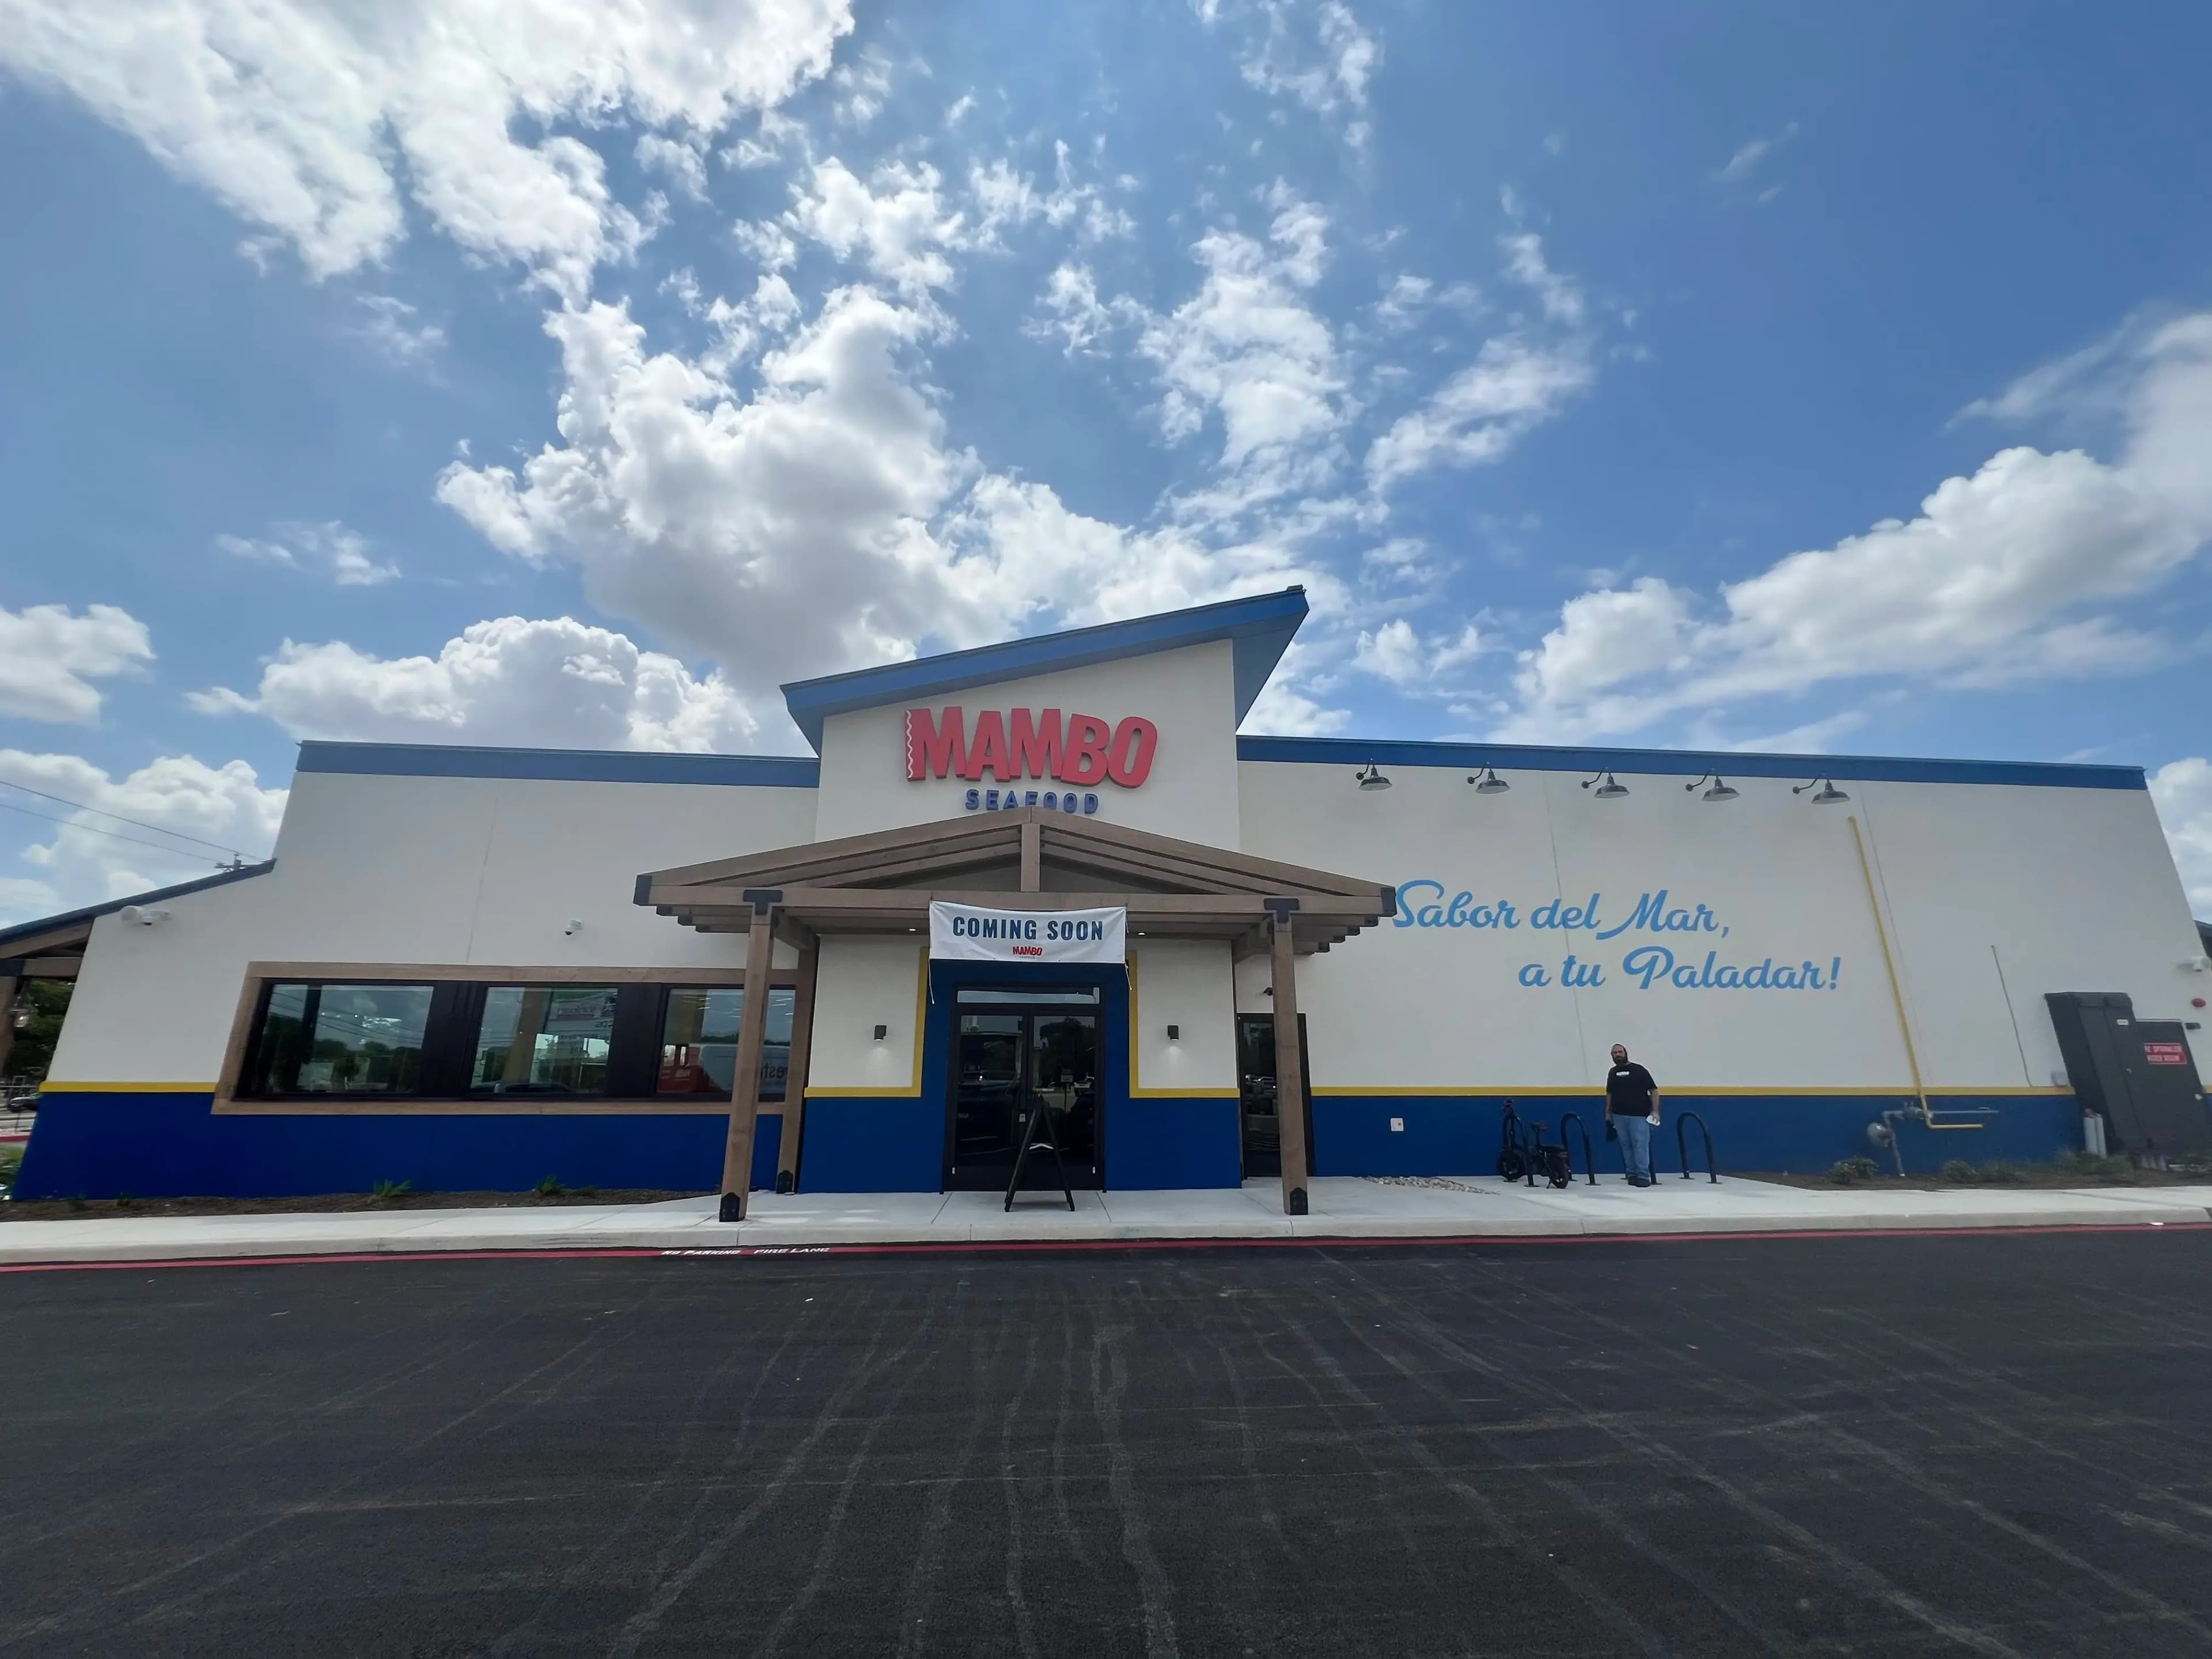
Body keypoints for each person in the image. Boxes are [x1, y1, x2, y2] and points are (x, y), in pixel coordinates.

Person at [1604, 1043, 1661, 1187]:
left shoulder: (1639, 1071)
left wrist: (1655, 1111)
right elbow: (1609, 1093)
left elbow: (1654, 1091)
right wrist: (1607, 1112)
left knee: (1640, 1145)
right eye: (1614, 1053)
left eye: (1619, 1052)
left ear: (1625, 1053)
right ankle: (1631, 1174)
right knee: (1626, 1146)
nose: (1617, 1055)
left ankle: (1643, 1175)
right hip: (1618, 1116)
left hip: (1639, 1116)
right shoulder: (1612, 1073)